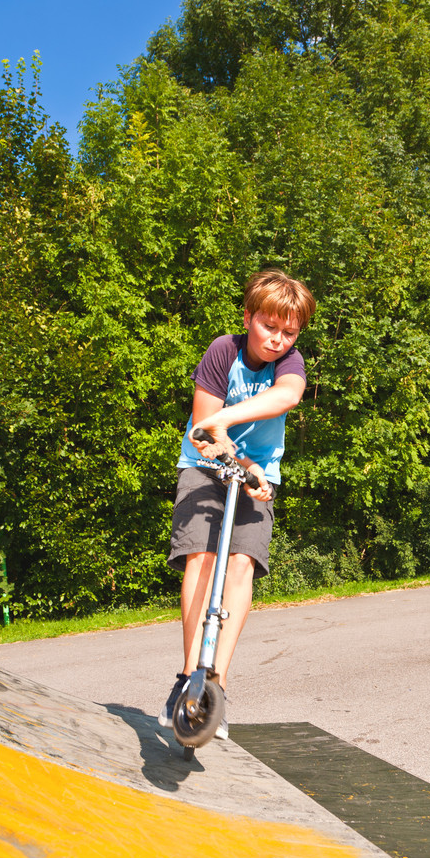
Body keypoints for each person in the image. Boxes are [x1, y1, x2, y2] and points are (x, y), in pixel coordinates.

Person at [158, 269, 316, 739]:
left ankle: (215, 689)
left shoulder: (289, 364)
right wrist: (232, 450)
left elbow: (289, 395)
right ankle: (189, 680)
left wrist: (241, 451)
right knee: (202, 560)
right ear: (249, 318)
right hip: (204, 469)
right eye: (270, 327)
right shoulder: (222, 351)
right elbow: (203, 437)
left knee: (243, 563)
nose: (277, 340)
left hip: (257, 478)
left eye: (289, 333)